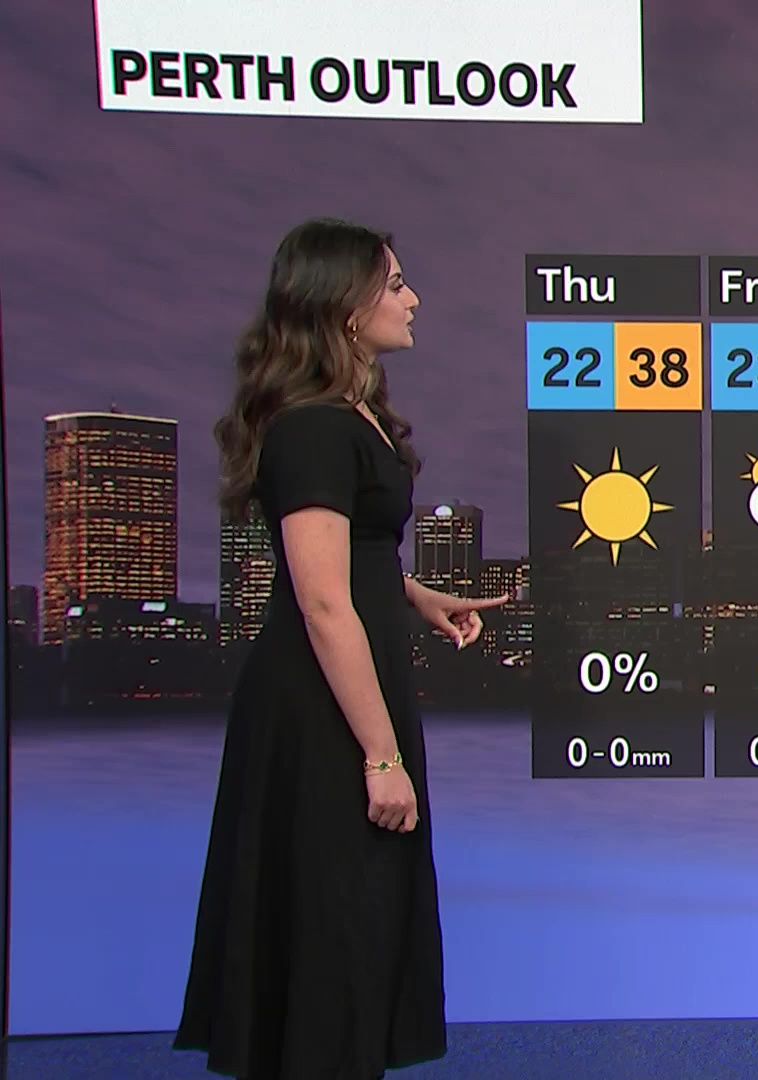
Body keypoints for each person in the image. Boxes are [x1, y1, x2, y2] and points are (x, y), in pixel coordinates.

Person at [173, 218, 509, 1079]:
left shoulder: (354, 414)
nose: (413, 298)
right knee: (333, 920)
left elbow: (354, 555)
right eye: (395, 283)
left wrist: (416, 596)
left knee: (357, 923)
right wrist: (380, 756)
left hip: (356, 694)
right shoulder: (314, 426)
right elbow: (322, 602)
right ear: (345, 306)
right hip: (323, 710)